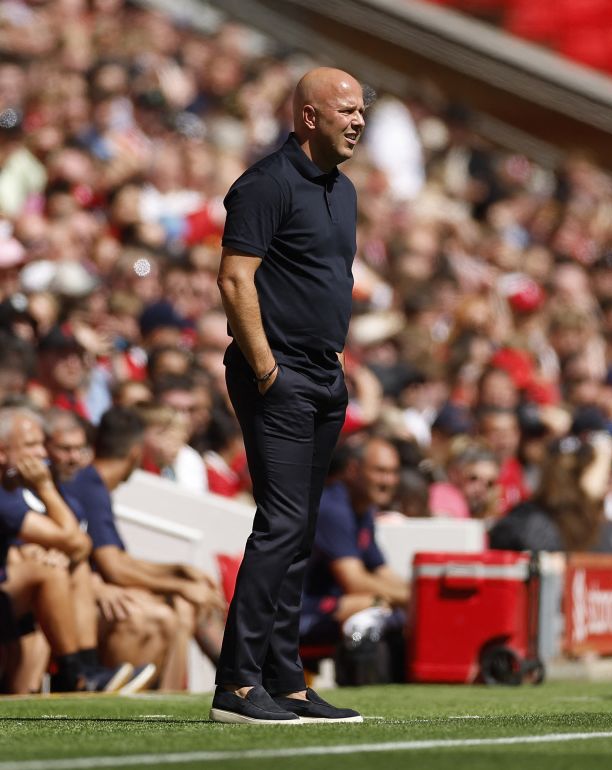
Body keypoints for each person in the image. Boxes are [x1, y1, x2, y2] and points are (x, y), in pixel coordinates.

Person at [211, 67, 368, 725]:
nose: (359, 121)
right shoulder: (266, 184)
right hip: (279, 378)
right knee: (279, 526)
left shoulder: (345, 190)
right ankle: (238, 686)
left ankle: (286, 680)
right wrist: (267, 368)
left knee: (297, 533)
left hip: (325, 376)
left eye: (363, 110)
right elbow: (234, 279)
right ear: (309, 116)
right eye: (347, 110)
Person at [58, 407, 226, 691]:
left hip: (88, 594)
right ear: (136, 453)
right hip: (82, 601)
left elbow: (117, 559)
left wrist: (178, 572)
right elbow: (113, 566)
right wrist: (178, 585)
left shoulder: (94, 483)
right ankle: (231, 677)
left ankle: (207, 686)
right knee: (173, 608)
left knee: (184, 603)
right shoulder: (91, 484)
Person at [0, 406, 131, 693]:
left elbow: (79, 545)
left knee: (68, 565)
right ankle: (77, 676)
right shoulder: (11, 491)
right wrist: (45, 487)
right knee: (51, 570)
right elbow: (73, 540)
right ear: (2, 452)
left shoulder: (11, 488)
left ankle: (85, 670)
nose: (41, 454)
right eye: (32, 446)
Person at [300, 433, 410, 683]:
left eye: (393, 472)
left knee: (381, 604)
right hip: (298, 611)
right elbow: (355, 582)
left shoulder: (363, 510)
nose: (388, 481)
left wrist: (418, 595)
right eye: (380, 471)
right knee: (371, 603)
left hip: (332, 606)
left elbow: (381, 571)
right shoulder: (333, 508)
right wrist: (410, 598)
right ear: (353, 469)